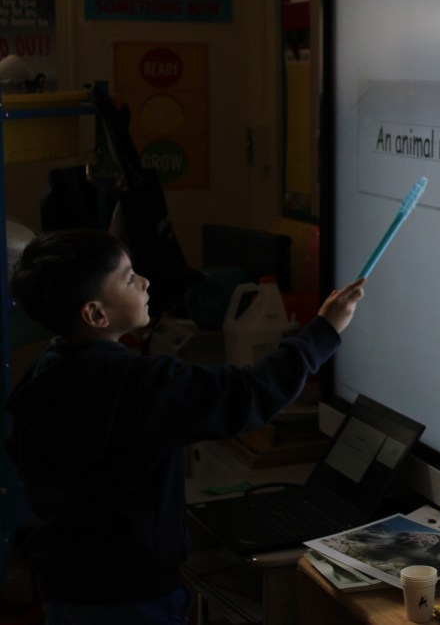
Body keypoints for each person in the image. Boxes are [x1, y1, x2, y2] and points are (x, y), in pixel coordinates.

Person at [4, 228, 365, 624]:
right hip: (131, 599)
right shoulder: (138, 384)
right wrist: (323, 332)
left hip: (70, 586)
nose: (144, 282)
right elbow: (248, 394)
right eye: (127, 278)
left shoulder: (46, 370)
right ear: (95, 313)